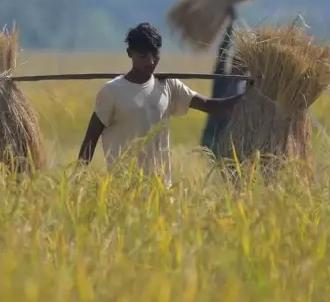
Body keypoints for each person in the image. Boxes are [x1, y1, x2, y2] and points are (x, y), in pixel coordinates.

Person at [76, 22, 252, 188]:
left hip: (161, 187)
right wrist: (77, 177)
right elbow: (91, 137)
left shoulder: (168, 85)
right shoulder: (111, 91)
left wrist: (247, 96)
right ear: (130, 53)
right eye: (143, 55)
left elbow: (207, 105)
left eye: (155, 54)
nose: (151, 61)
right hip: (124, 188)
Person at [200, 6, 249, 159]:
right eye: (236, 61)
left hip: (234, 141)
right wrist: (231, 23)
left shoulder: (248, 87)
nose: (238, 65)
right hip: (214, 136)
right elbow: (223, 51)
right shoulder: (222, 79)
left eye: (242, 63)